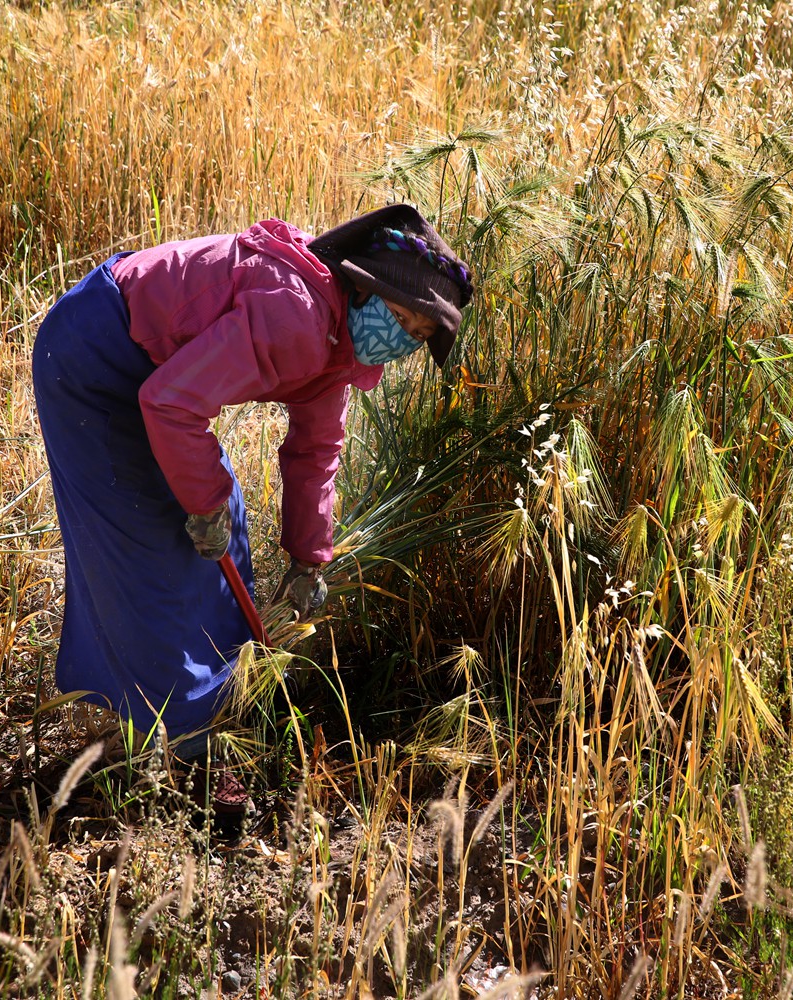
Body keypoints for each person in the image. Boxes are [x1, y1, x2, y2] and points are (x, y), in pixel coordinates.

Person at [31, 204, 473, 830]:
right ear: (362, 285)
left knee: (225, 520)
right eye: (397, 316)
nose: (399, 336)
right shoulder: (296, 317)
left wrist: (306, 556)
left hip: (152, 372)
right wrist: (200, 504)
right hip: (95, 356)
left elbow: (316, 451)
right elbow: (172, 404)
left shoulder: (338, 347)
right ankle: (193, 751)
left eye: (418, 334)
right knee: (153, 549)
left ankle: (224, 703)